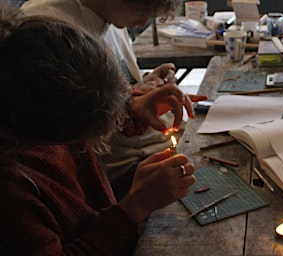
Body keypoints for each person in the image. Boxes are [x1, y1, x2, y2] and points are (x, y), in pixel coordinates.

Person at [0, 12, 196, 255]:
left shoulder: (23, 82)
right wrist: (135, 206)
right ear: (52, 135)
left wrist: (131, 104)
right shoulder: (12, 197)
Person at [21, 0, 208, 199]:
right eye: (142, 8)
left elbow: (112, 88)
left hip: (145, 149)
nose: (144, 20)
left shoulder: (111, 16)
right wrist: (130, 103)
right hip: (117, 174)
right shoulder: (50, 29)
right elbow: (69, 125)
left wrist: (145, 84)